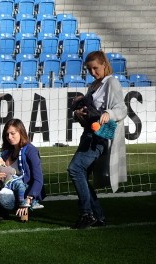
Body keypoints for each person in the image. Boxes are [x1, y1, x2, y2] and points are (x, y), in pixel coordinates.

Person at [68, 50, 127, 229]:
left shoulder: (112, 82)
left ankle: (87, 214)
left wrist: (109, 113)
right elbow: (90, 115)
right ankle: (98, 216)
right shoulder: (93, 86)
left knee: (75, 169)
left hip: (99, 136)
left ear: (104, 65)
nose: (93, 72)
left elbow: (122, 109)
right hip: (88, 134)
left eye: (95, 68)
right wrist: (79, 115)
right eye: (89, 69)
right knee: (81, 174)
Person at [0, 118, 44, 223]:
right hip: (5, 186)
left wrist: (28, 200)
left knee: (3, 201)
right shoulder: (6, 152)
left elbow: (38, 179)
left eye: (13, 133)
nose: (9, 137)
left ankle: (22, 208)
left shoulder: (31, 150)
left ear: (21, 132)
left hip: (23, 190)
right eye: (7, 134)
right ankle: (2, 212)